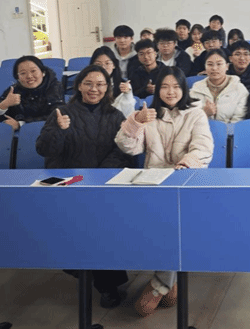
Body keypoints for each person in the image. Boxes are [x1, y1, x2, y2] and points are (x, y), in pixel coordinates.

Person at [114, 66, 213, 316]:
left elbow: (203, 148)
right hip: (153, 183)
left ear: (184, 89)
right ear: (157, 89)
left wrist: (185, 164)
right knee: (155, 227)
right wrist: (136, 122)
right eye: (165, 86)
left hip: (185, 180)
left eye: (176, 87)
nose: (171, 92)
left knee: (171, 224)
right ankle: (170, 282)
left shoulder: (196, 113)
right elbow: (128, 147)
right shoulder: (148, 113)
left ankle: (159, 284)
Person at [36, 65, 133, 309]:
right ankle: (91, 274)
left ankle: (105, 284)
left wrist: (99, 176)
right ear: (79, 85)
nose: (94, 89)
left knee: (102, 227)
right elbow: (44, 149)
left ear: (107, 88)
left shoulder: (115, 115)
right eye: (88, 83)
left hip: (103, 184)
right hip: (70, 184)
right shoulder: (62, 113)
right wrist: (59, 131)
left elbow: (122, 151)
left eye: (100, 84)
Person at [0, 55, 64, 131]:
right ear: (17, 77)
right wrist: (4, 105)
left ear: (43, 72)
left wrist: (20, 124)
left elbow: (57, 116)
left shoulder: (54, 88)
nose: (29, 76)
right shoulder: (13, 90)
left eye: (33, 71)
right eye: (23, 73)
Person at [190, 49, 249, 123]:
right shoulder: (196, 89)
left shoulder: (239, 89)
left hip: (229, 129)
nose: (214, 68)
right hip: (200, 128)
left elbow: (238, 120)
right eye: (210, 64)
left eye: (219, 64)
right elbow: (190, 119)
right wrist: (204, 113)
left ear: (227, 66)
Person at [91, 46, 135, 117]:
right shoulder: (87, 84)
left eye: (107, 63)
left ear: (114, 65)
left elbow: (128, 112)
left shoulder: (123, 85)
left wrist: (128, 94)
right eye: (98, 64)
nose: (103, 67)